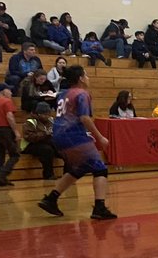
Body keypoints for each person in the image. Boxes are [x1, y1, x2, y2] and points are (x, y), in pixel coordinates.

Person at [37, 65, 116, 220]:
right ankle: (99, 207)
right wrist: (100, 137)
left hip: (58, 135)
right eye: (86, 75)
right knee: (100, 169)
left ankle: (51, 199)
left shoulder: (63, 93)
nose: (88, 78)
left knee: (80, 168)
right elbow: (84, 118)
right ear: (80, 78)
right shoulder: (82, 94)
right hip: (72, 135)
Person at [0, 82, 22, 187]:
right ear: (3, 91)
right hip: (4, 129)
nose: (11, 92)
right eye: (9, 90)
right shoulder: (7, 101)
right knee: (15, 155)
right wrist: (16, 131)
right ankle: (1, 175)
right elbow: (9, 116)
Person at [21, 100, 57, 181]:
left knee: (63, 148)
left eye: (48, 113)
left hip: (47, 142)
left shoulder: (51, 120)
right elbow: (29, 137)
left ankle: (68, 172)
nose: (47, 116)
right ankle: (48, 174)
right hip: (30, 145)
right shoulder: (30, 122)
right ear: (38, 113)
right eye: (45, 114)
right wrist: (45, 134)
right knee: (47, 150)